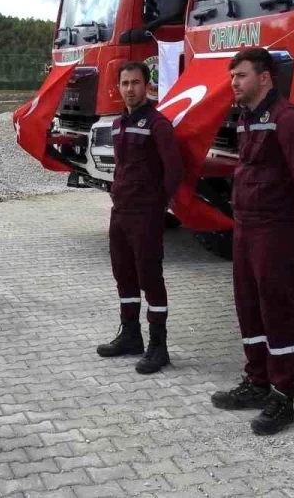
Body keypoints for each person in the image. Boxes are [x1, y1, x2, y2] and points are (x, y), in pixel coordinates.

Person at [211, 47, 294, 436]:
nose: (234, 83)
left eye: (240, 75)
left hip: (276, 228)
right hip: (246, 225)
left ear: (265, 77)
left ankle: (283, 394)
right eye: (233, 76)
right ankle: (256, 381)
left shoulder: (288, 119)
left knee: (277, 309)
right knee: (248, 306)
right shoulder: (246, 118)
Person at [95, 61, 183, 374]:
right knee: (124, 274)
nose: (130, 89)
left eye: (135, 83)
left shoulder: (158, 124)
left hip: (146, 214)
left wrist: (156, 204)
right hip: (121, 212)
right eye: (125, 83)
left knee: (150, 277)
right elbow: (121, 166)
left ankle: (158, 346)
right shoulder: (118, 124)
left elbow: (174, 170)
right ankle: (131, 336)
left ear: (147, 86)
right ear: (118, 87)